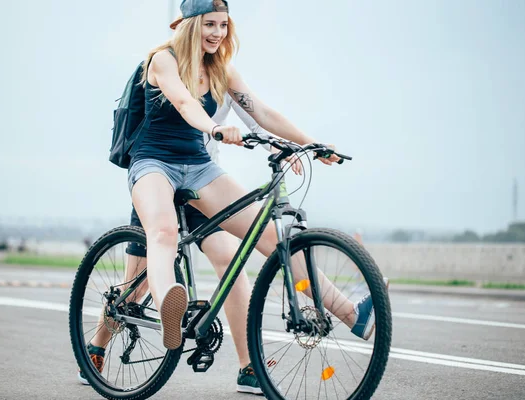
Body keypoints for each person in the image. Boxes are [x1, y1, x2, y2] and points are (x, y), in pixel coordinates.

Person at [82, 0, 379, 392]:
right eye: (210, 24)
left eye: (223, 25)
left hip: (199, 168)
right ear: (189, 25)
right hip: (153, 164)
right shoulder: (162, 61)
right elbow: (185, 102)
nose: (218, 33)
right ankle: (156, 312)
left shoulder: (221, 69)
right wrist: (214, 128)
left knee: (270, 240)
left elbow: (263, 113)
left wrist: (313, 143)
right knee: (154, 249)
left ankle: (347, 315)